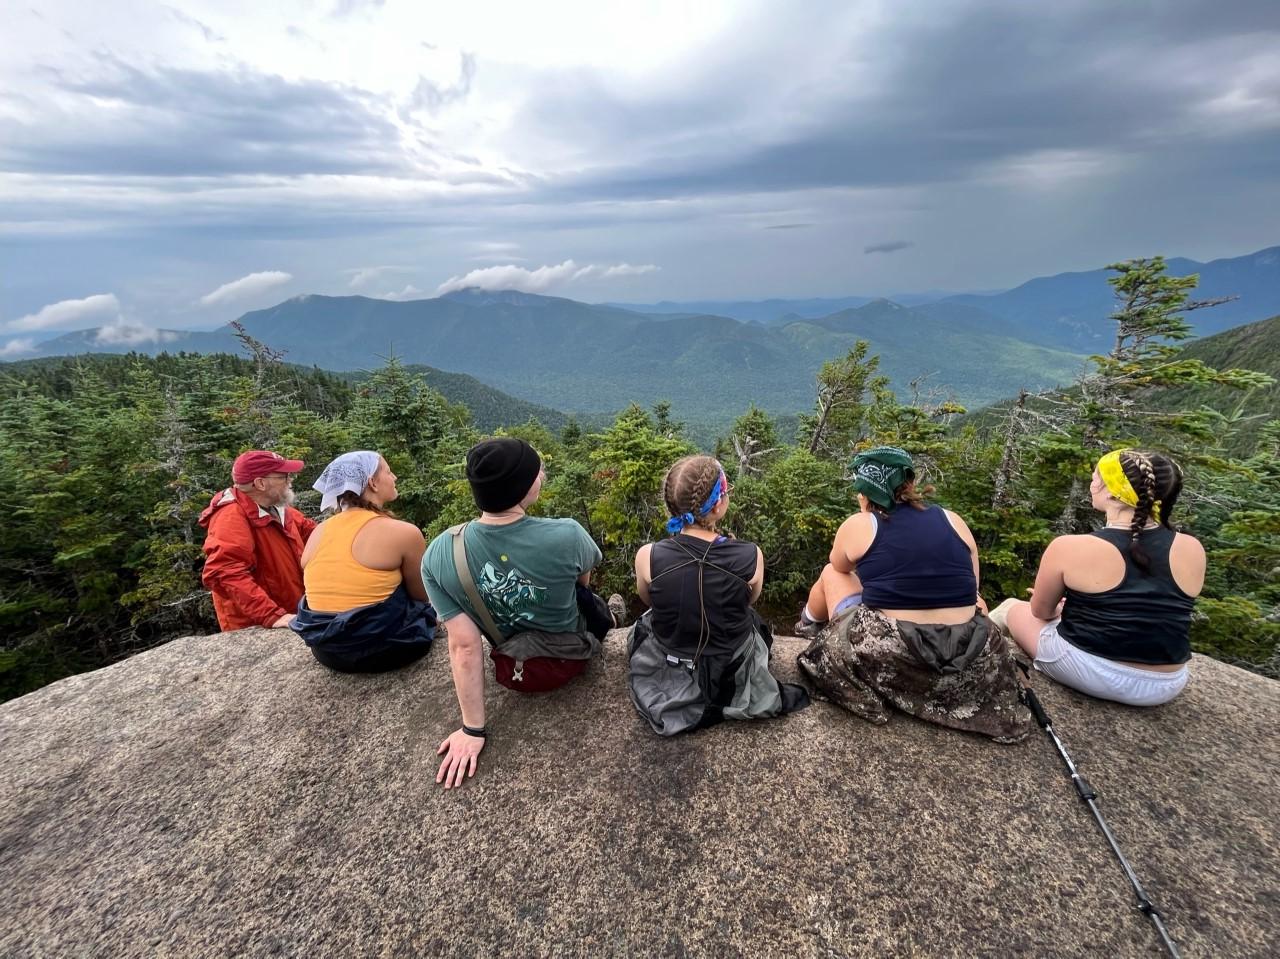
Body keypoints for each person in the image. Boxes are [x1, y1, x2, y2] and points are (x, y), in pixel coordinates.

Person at [421, 438, 620, 788]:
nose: (541, 474)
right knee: (599, 604)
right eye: (536, 471)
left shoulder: (439, 554)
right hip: (572, 657)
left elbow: (464, 645)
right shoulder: (567, 534)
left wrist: (473, 729)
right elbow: (583, 583)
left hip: (514, 665)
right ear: (527, 488)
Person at [796, 446, 1029, 742]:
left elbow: (840, 565)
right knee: (977, 603)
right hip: (969, 652)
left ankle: (807, 624)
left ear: (864, 493)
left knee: (832, 574)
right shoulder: (953, 520)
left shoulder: (860, 524)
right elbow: (972, 591)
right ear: (910, 483)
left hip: (896, 654)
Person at [992, 450, 1204, 707]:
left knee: (1010, 608)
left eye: (1097, 478)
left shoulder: (1070, 546)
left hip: (1093, 670)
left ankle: (969, 661)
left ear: (1114, 492)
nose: (1092, 484)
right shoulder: (1192, 548)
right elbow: (1152, 604)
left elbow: (1040, 612)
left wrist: (1057, 610)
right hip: (1167, 683)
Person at [628, 455, 809, 736]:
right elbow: (749, 603)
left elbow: (650, 602)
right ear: (718, 505)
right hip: (730, 659)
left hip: (672, 654)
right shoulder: (750, 556)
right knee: (754, 621)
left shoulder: (648, 556)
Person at [290, 451, 436, 673]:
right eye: (388, 472)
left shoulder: (319, 531)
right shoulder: (404, 532)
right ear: (372, 483)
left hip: (326, 651)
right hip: (387, 649)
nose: (394, 477)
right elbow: (422, 595)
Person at [200, 449, 315, 631]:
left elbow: (317, 535)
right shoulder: (231, 517)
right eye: (284, 476)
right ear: (260, 483)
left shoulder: (279, 510)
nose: (290, 480)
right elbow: (225, 572)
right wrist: (271, 615)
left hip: (292, 615)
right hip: (259, 626)